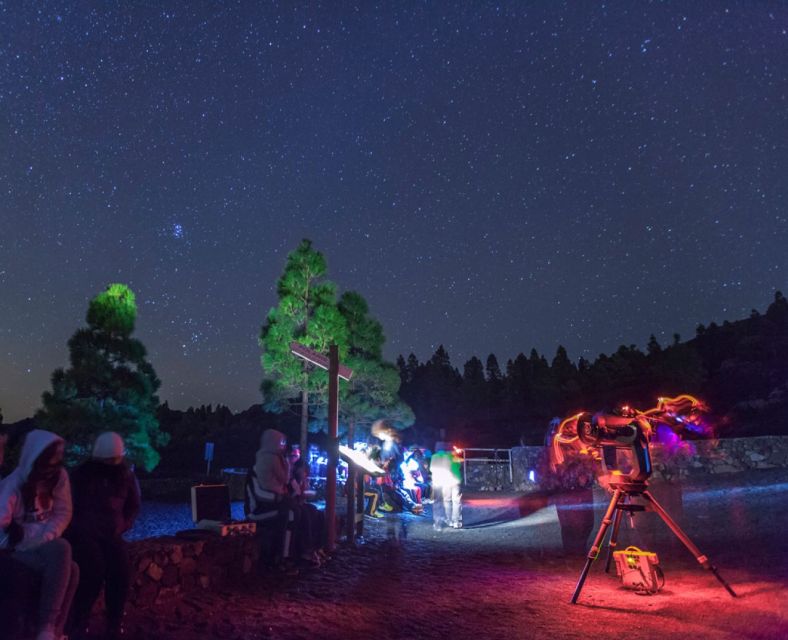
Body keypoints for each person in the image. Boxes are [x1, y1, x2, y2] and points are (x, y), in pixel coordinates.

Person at [0, 429, 79, 640]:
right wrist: (18, 542)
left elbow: (63, 512)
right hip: (18, 550)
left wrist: (44, 538)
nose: (52, 469)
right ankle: (46, 628)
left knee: (73, 569)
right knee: (63, 550)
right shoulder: (13, 485)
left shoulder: (59, 477)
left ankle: (53, 631)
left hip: (42, 544)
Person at [66, 432, 141, 640]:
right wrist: (79, 530)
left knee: (121, 574)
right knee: (92, 573)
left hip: (112, 535)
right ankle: (79, 621)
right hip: (85, 535)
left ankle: (114, 623)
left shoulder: (125, 475)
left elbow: (133, 505)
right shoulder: (81, 475)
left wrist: (123, 526)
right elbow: (70, 506)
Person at [245, 429, 293, 569]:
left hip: (269, 505)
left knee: (295, 512)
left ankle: (289, 555)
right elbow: (259, 493)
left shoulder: (273, 459)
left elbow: (283, 480)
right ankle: (278, 558)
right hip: (256, 511)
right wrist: (279, 498)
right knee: (286, 513)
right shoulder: (259, 466)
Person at [289, 459, 325, 567]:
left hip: (300, 504)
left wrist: (305, 489)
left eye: (306, 471)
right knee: (307, 513)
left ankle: (318, 546)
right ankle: (307, 550)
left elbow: (303, 497)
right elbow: (295, 496)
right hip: (293, 505)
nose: (305, 473)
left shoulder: (303, 480)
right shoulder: (291, 480)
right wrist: (302, 493)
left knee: (319, 513)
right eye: (303, 470)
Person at [430, 442, 463, 530]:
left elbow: (431, 469)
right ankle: (456, 521)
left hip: (445, 481)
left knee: (447, 500)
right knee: (456, 501)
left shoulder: (434, 456)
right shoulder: (452, 456)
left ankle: (449, 520)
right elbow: (459, 465)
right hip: (455, 481)